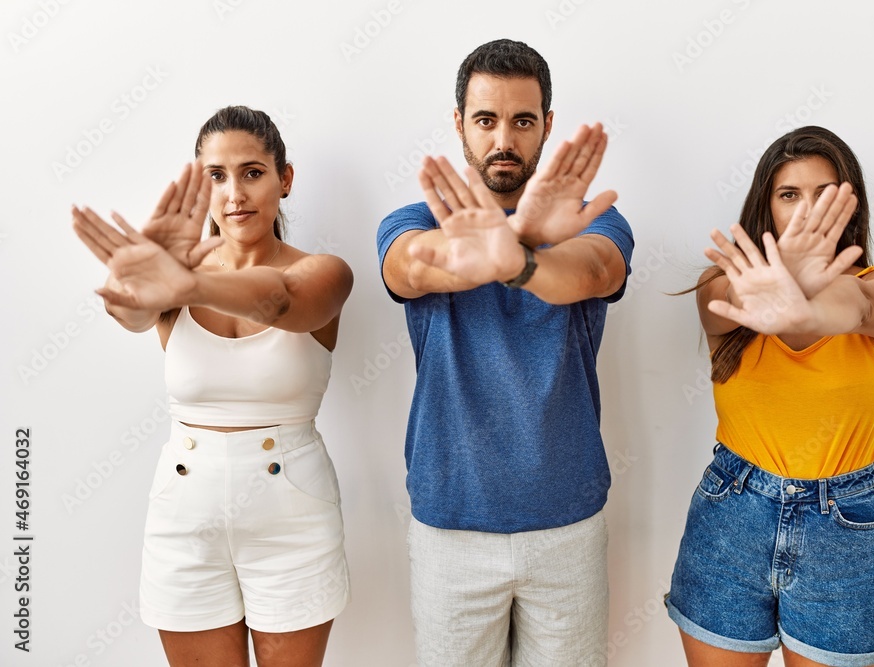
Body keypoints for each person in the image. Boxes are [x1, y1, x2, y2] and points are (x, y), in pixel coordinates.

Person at [376, 39, 634, 666]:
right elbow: (412, 269)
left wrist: (518, 255)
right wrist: (515, 240)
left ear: (547, 125)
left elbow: (590, 272)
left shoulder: (591, 222)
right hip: (450, 524)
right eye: (486, 120)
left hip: (565, 522)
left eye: (522, 121)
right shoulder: (410, 220)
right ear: (459, 123)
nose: (503, 139)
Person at [71, 105, 353, 667]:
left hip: (291, 512)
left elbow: (278, 300)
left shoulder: (325, 271)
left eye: (253, 172)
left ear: (285, 179)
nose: (234, 194)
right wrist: (135, 277)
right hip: (185, 510)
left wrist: (190, 280)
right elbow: (127, 315)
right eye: (216, 177)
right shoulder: (173, 279)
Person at [664, 126, 874, 667]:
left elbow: (863, 307)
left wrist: (810, 310)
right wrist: (784, 286)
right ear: (767, 207)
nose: (807, 211)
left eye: (825, 194)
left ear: (850, 206)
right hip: (730, 516)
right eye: (789, 195)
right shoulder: (725, 289)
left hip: (844, 533)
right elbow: (732, 295)